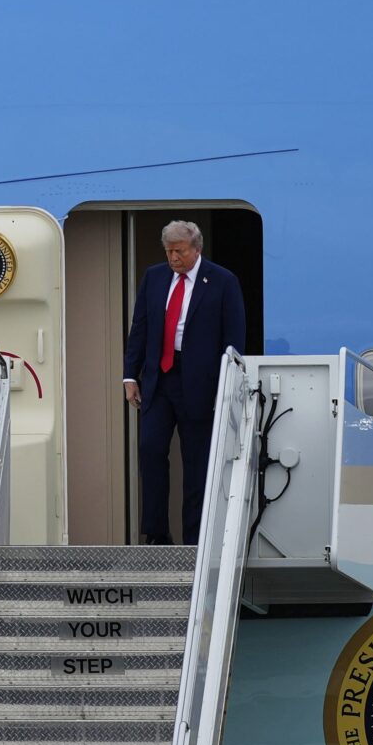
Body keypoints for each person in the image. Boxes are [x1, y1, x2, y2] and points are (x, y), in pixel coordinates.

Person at [121, 219, 247, 546]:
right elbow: (140, 328)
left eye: (179, 251)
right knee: (150, 450)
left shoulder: (222, 281)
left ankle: (195, 540)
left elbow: (234, 339)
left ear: (197, 249)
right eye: (168, 251)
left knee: (196, 463)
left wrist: (227, 385)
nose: (173, 258)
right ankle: (157, 534)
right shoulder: (154, 277)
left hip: (200, 384)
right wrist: (130, 374)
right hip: (159, 378)